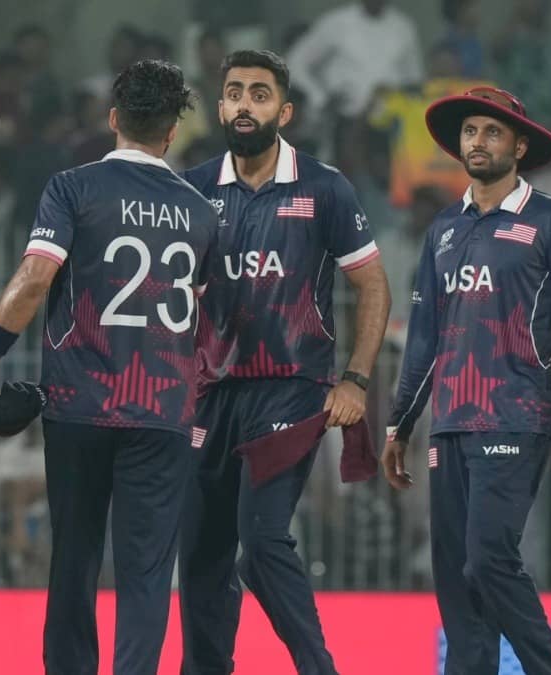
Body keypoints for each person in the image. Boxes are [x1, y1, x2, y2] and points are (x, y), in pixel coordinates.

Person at [0, 59, 219, 675]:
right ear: (172, 132)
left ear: (112, 119)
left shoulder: (73, 188)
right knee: (147, 570)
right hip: (162, 412)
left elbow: (34, 280)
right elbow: (204, 320)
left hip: (80, 404)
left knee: (73, 558)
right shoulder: (202, 211)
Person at [179, 50, 391, 675]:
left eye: (260, 94)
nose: (245, 104)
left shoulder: (323, 187)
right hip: (209, 394)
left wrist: (354, 379)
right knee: (202, 557)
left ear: (285, 110)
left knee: (262, 542)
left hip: (290, 391)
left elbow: (373, 285)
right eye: (235, 93)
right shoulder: (189, 189)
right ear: (220, 106)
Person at [382, 86, 551, 675]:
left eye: (492, 132)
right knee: (456, 583)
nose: (478, 141)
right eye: (470, 132)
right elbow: (425, 339)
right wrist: (399, 424)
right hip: (449, 421)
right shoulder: (444, 230)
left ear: (519, 144)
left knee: (487, 560)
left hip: (517, 413)